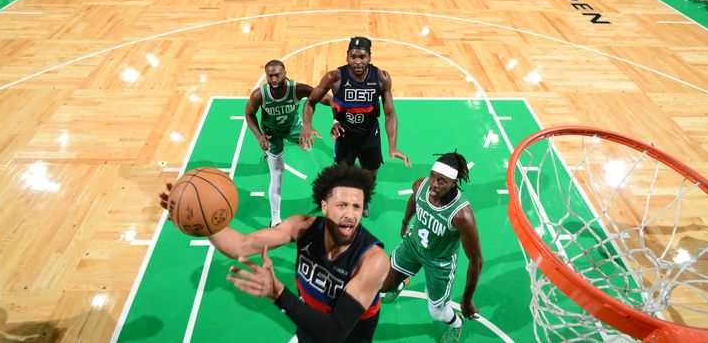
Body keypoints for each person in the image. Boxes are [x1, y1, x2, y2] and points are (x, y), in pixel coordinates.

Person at [158, 164, 390, 343]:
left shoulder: (372, 260)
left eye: (356, 206)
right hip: (307, 328)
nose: (350, 214)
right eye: (342, 205)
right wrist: (201, 220)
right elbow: (242, 245)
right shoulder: (302, 227)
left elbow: (335, 332)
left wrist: (278, 293)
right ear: (324, 206)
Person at [300, 37, 411, 216]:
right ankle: (344, 201)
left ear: (369, 57)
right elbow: (311, 101)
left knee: (371, 173)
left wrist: (392, 146)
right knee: (343, 174)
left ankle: (363, 199)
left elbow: (390, 113)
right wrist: (307, 124)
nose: (358, 61)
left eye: (362, 56)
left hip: (370, 135)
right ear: (347, 57)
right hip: (345, 136)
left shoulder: (381, 78)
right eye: (353, 56)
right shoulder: (334, 77)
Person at [381, 151, 483, 343]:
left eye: (442, 181)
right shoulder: (421, 186)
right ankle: (400, 283)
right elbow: (414, 200)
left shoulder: (462, 215)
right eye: (433, 177)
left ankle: (456, 324)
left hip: (439, 262)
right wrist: (405, 223)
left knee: (437, 313)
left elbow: (476, 261)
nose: (434, 184)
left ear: (453, 183)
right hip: (413, 246)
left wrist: (467, 300)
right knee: (384, 284)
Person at [245, 60, 331, 226]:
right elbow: (249, 114)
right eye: (270, 75)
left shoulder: (296, 89)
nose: (274, 79)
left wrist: (335, 104)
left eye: (277, 74)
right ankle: (275, 219)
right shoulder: (259, 95)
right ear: (266, 76)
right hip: (272, 134)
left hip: (293, 128)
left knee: (310, 150)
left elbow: (319, 96)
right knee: (277, 174)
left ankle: (324, 189)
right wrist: (259, 136)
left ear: (285, 73)